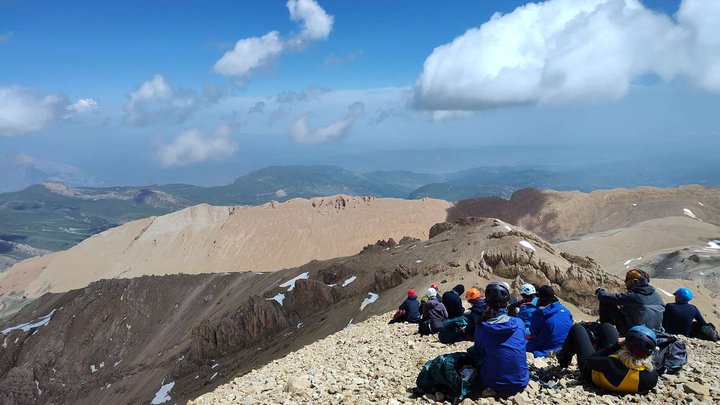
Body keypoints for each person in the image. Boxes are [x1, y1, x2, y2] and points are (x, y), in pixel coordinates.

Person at [556, 323, 658, 394]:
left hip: (591, 372)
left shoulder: (611, 363)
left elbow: (588, 360)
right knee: (607, 326)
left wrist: (616, 345)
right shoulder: (652, 376)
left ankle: (563, 360)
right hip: (615, 373)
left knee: (577, 329)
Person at [468, 281, 528, 396]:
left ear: (486, 302)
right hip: (521, 381)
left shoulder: (481, 326)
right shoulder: (519, 323)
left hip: (494, 383)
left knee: (473, 353)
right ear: (507, 303)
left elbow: (479, 352)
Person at [596, 268, 664, 334]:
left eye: (627, 280)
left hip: (635, 332)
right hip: (654, 333)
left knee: (605, 301)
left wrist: (600, 291)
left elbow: (607, 297)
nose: (625, 282)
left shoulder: (634, 295)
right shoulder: (656, 296)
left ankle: (605, 330)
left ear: (635, 281)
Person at [526, 285, 573, 357]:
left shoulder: (539, 313)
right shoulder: (565, 310)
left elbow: (533, 331)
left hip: (548, 348)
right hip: (566, 347)